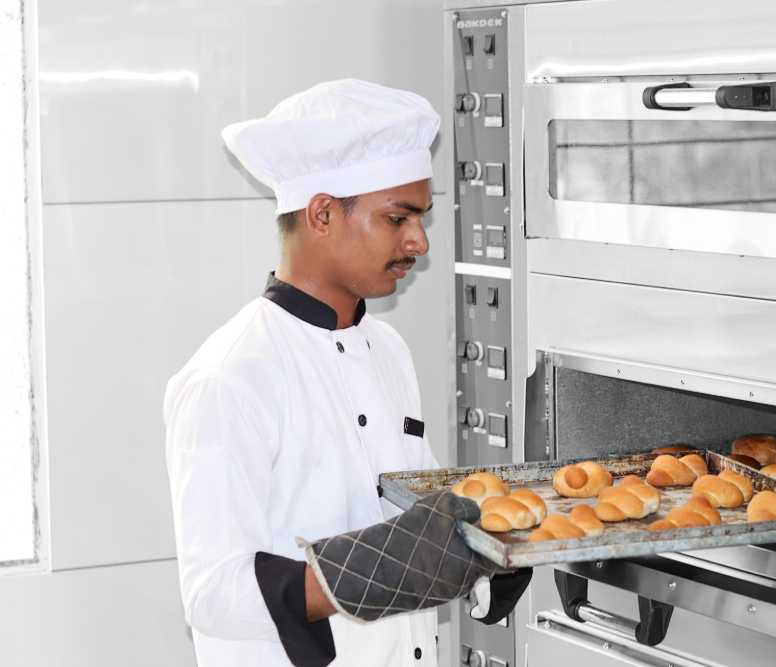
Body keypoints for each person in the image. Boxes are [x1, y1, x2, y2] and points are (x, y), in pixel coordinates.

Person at [164, 79, 530, 667]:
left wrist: (487, 563)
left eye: (421, 217)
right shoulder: (230, 376)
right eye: (397, 217)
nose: (419, 241)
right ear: (323, 213)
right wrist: (371, 570)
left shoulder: (386, 347)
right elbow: (212, 593)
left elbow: (418, 524)